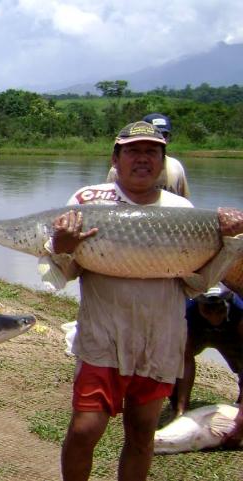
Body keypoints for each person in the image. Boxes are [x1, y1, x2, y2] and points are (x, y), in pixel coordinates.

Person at [51, 121, 194, 481]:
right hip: (104, 336)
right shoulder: (86, 201)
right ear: (116, 158)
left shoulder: (182, 210)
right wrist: (61, 248)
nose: (142, 159)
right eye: (133, 151)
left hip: (160, 338)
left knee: (142, 433)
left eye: (152, 152)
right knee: (85, 430)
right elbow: (63, 273)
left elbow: (195, 283)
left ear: (163, 161)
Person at [171, 284, 243, 417]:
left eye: (219, 310)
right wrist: (182, 409)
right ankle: (179, 407)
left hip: (231, 336)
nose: (214, 317)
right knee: (174, 359)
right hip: (197, 334)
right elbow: (185, 360)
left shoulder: (239, 310)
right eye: (208, 310)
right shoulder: (186, 311)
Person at [107, 112, 190, 198]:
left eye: (164, 135)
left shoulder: (176, 167)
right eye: (156, 133)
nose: (160, 137)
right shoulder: (117, 170)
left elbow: (184, 202)